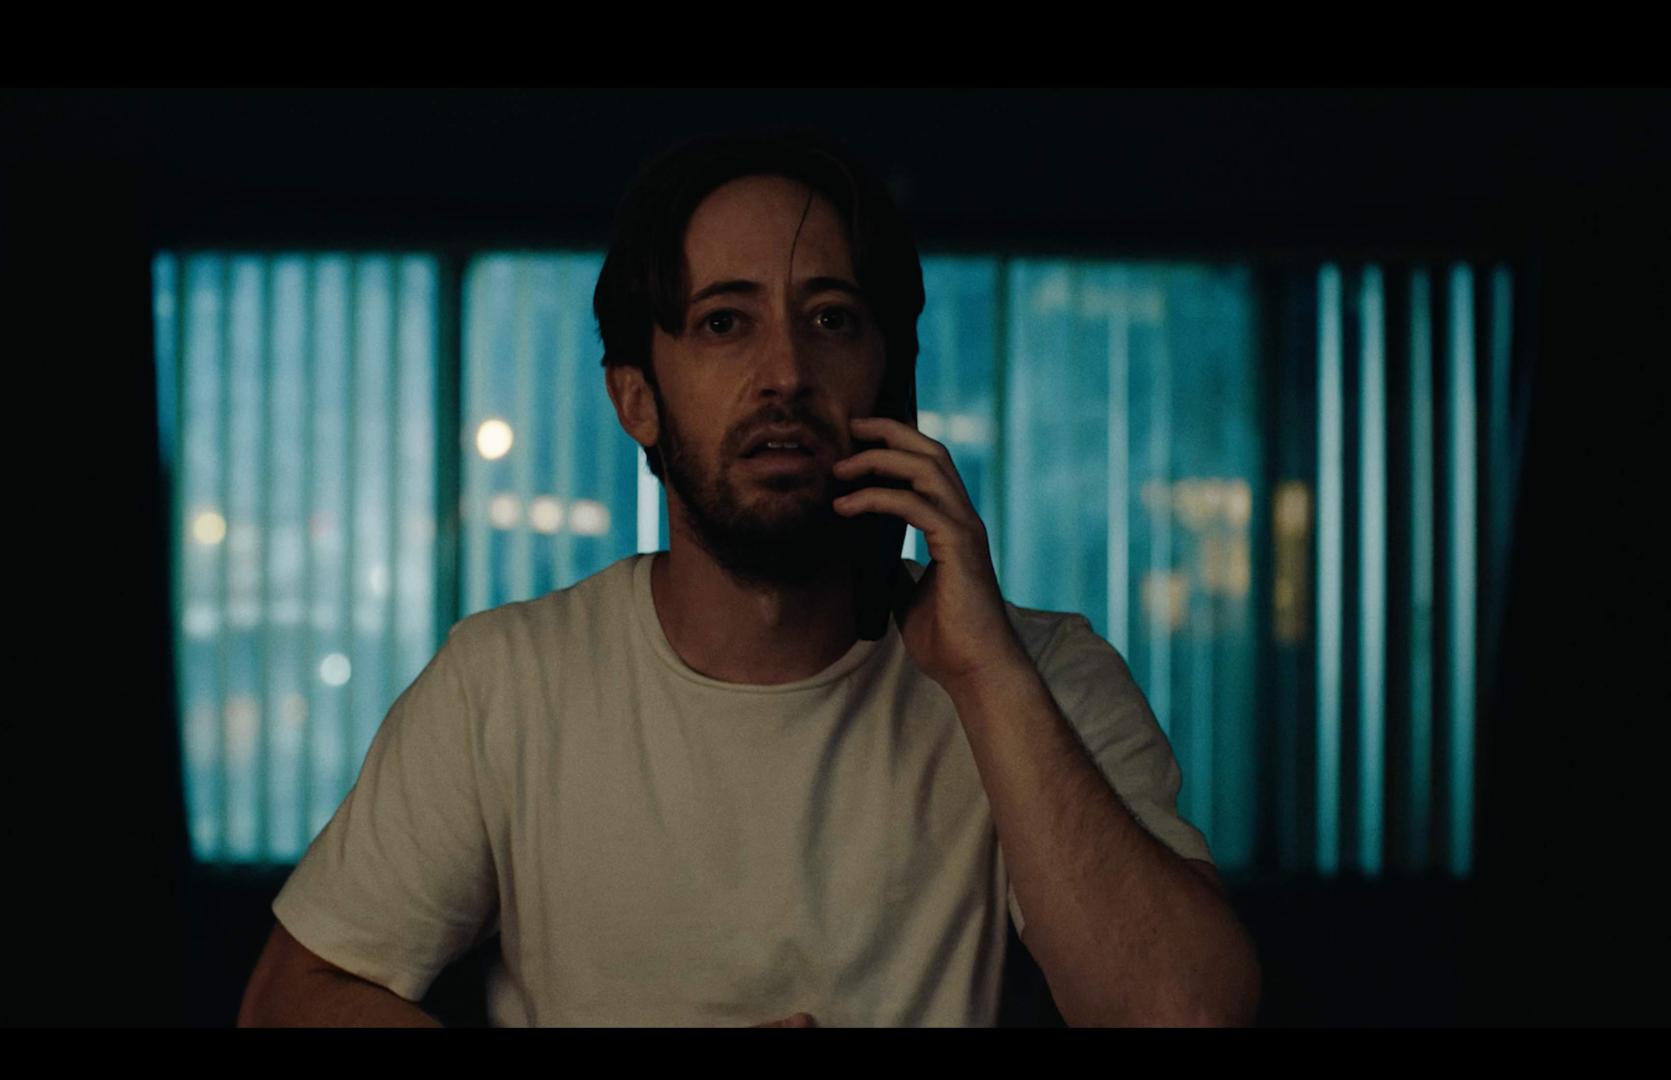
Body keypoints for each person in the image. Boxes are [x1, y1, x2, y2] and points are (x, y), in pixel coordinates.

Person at [237, 132, 1261, 1028]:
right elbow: (291, 1000)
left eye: (832, 319)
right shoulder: (507, 682)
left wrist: (989, 677)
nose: (786, 374)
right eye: (725, 323)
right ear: (636, 399)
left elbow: (1185, 1013)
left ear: (891, 382)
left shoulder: (1038, 671)